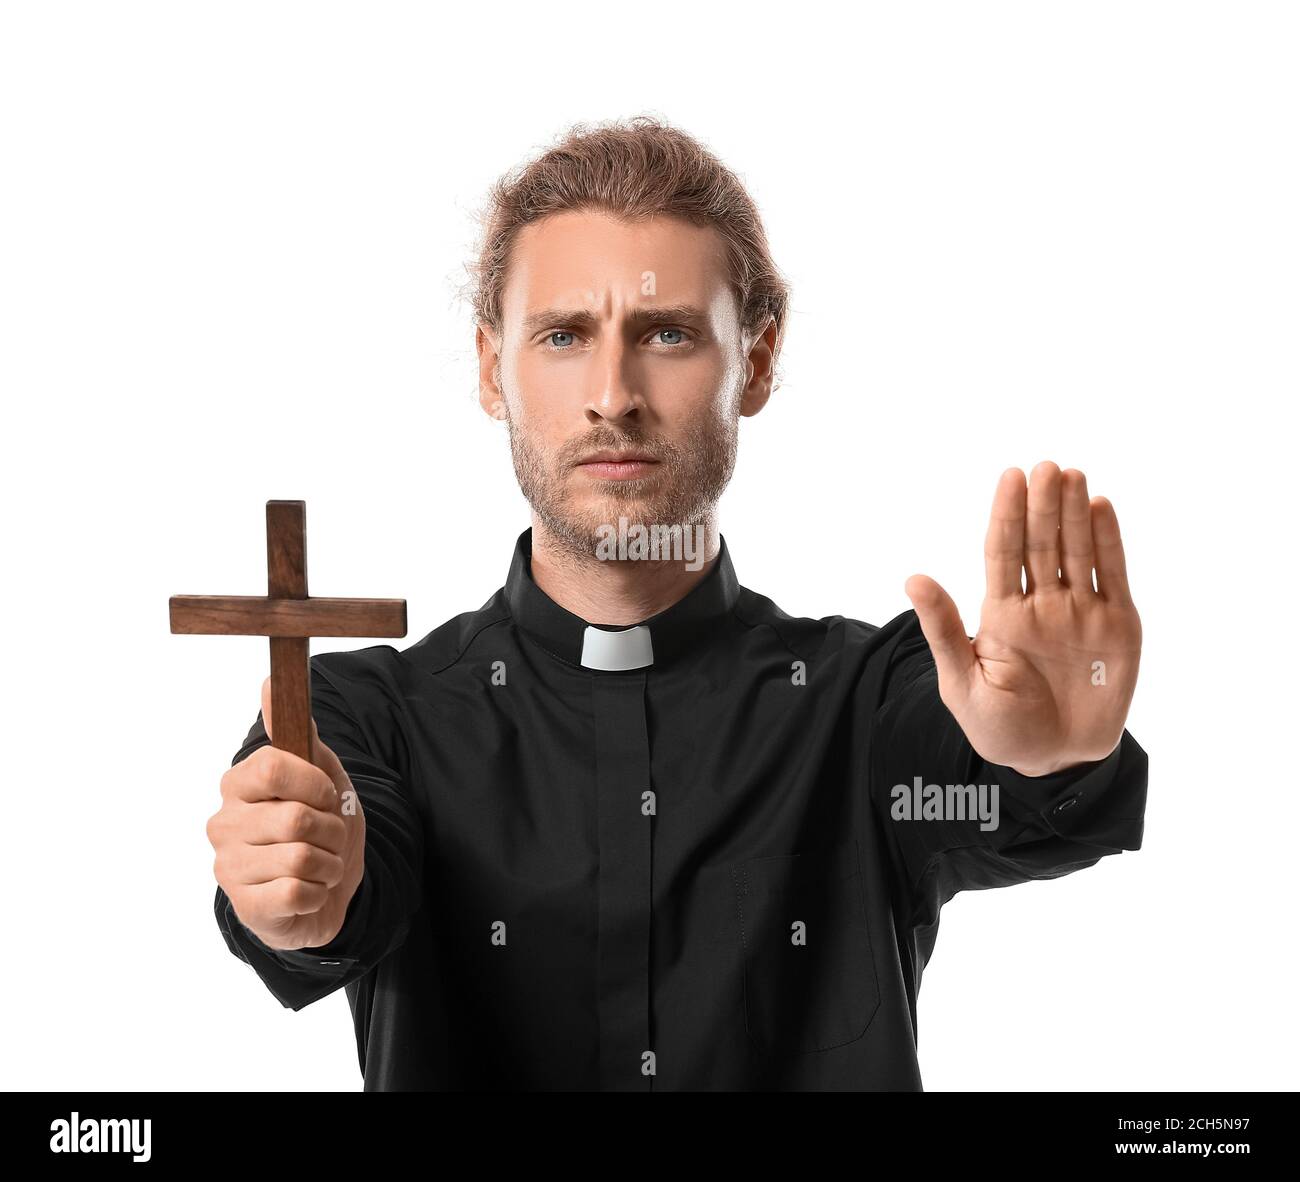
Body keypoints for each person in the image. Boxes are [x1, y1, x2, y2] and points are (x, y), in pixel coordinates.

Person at [207, 115, 1147, 1091]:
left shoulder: (866, 705)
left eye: (666, 333)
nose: (613, 394)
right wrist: (299, 898)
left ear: (759, 361)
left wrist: (1049, 761)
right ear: (494, 368)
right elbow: (328, 888)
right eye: (564, 335)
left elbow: (987, 793)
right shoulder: (365, 717)